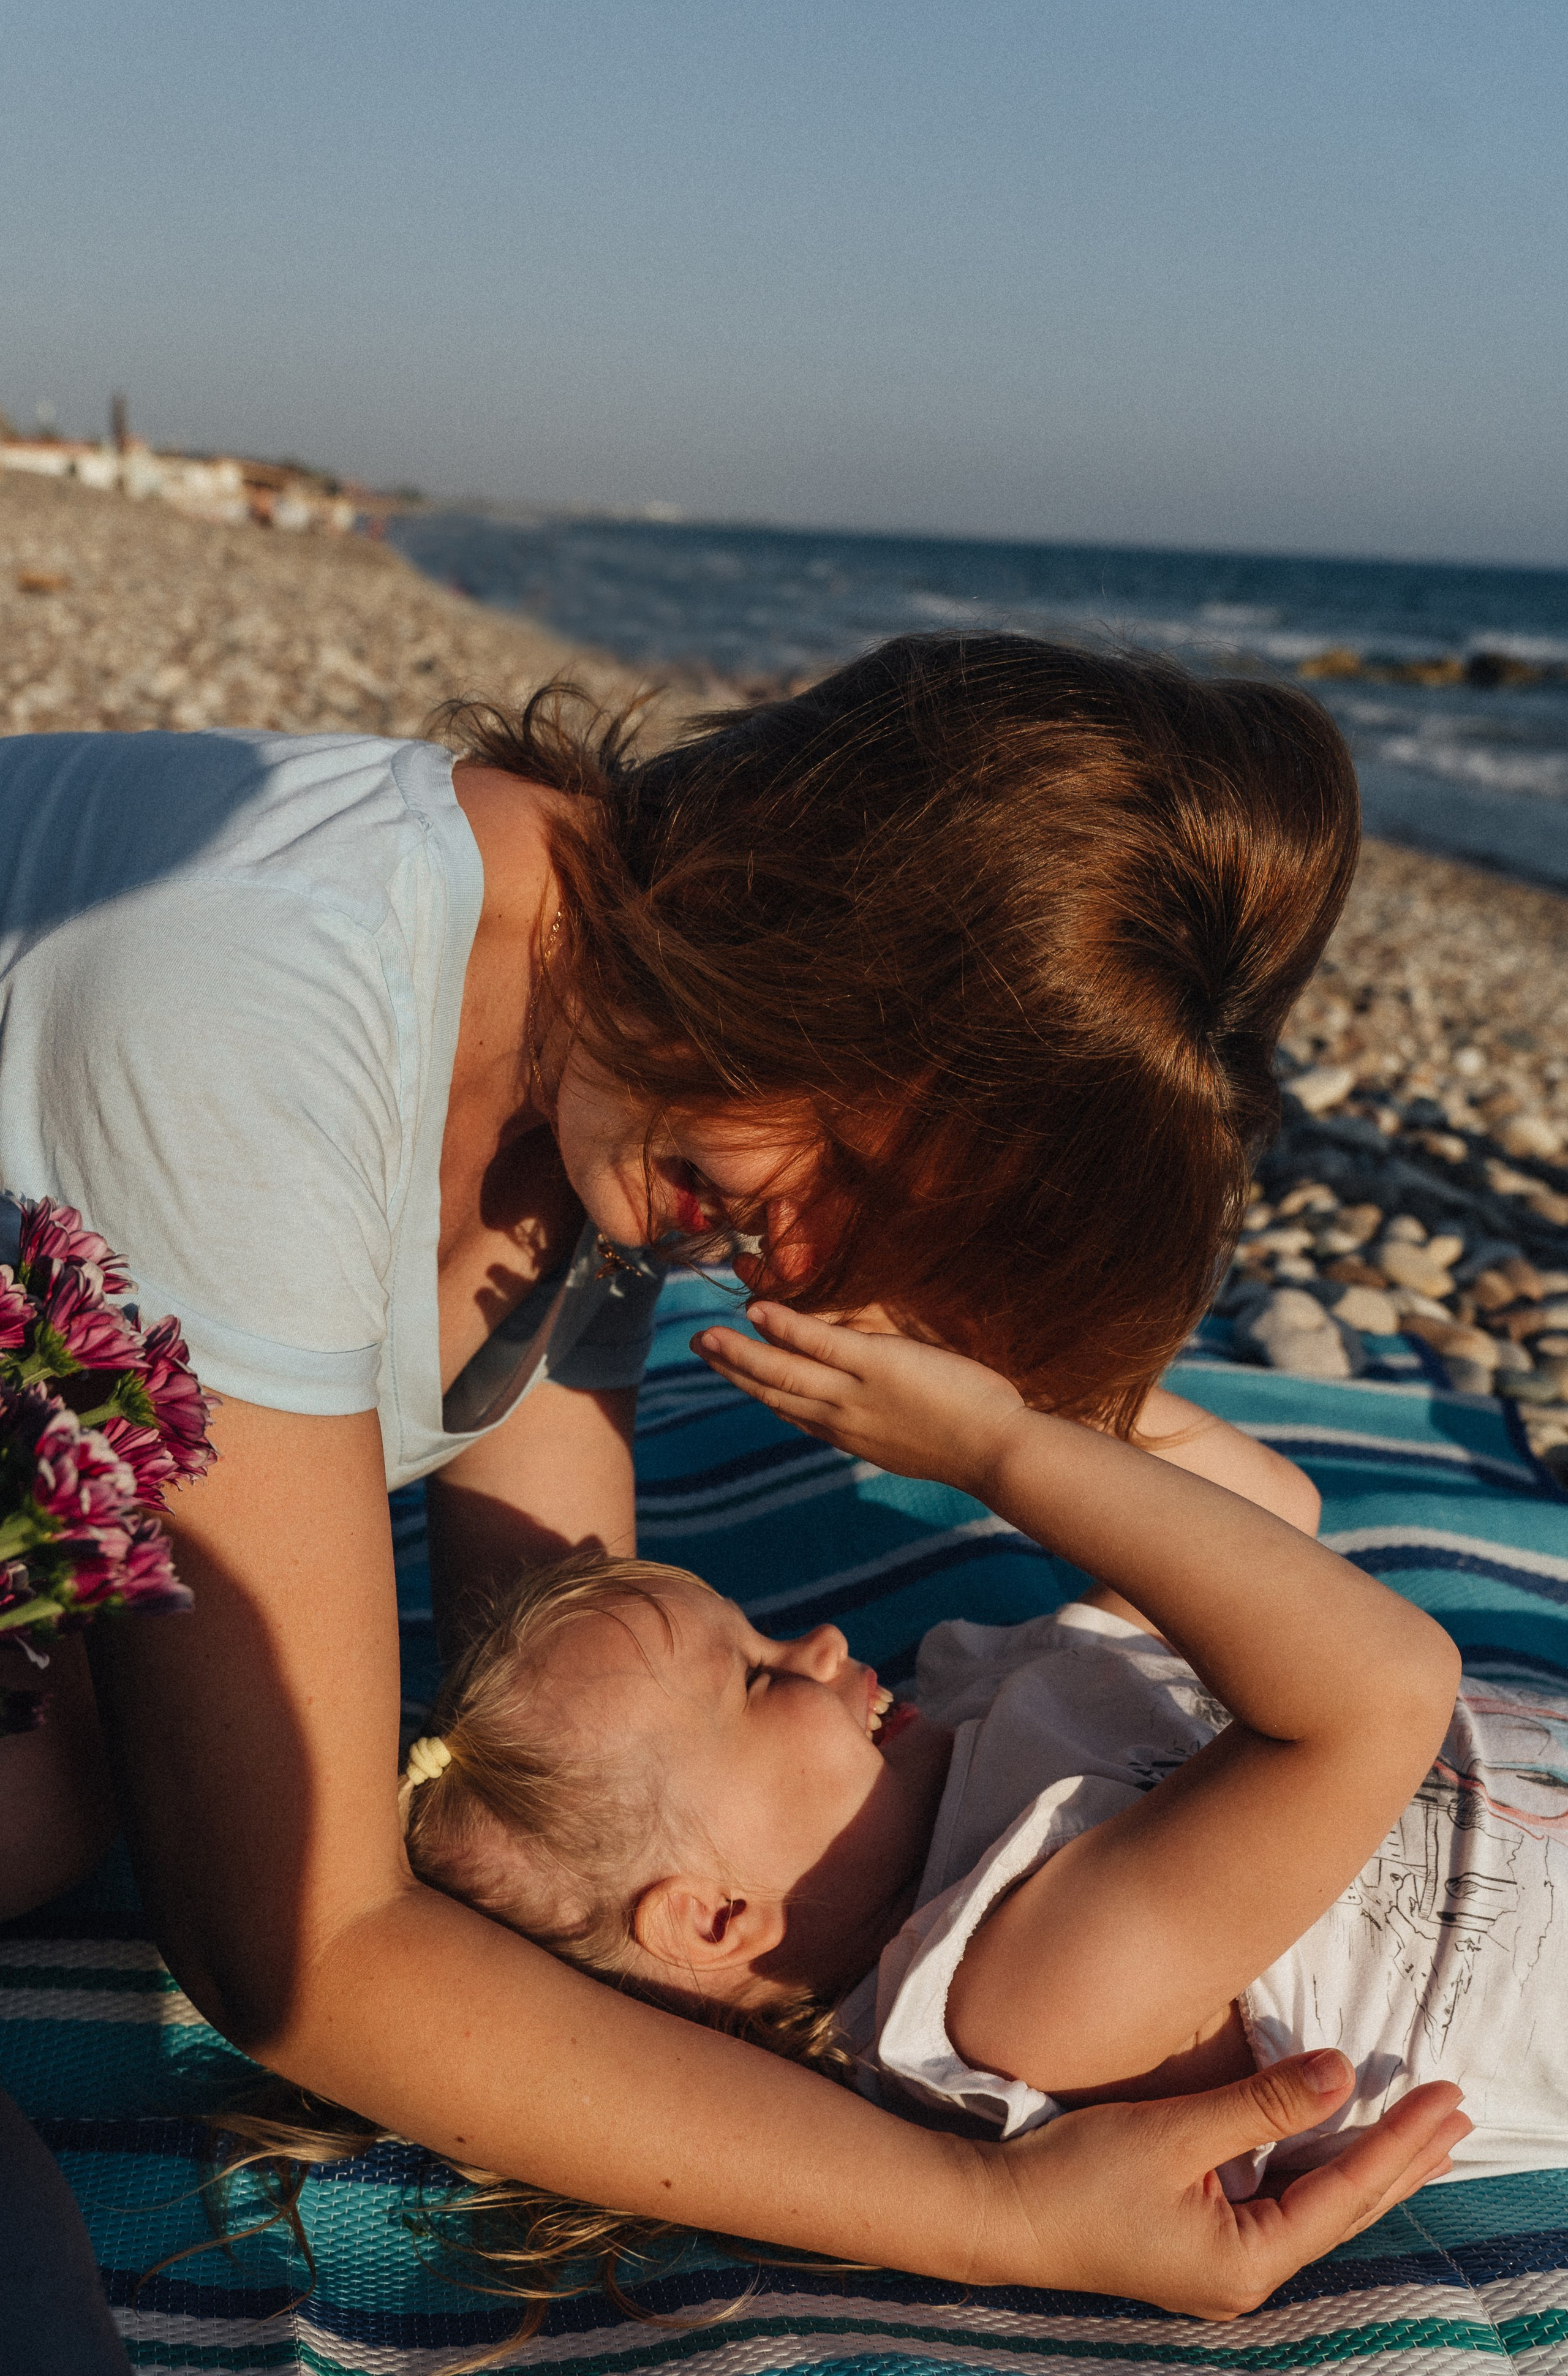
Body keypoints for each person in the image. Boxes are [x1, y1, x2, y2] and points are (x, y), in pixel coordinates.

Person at [0, 636, 1463, 2319]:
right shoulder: (256, 1013)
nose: (805, 1267)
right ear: (803, 912)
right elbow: (304, 1947)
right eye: (843, 1167)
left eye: (891, 1231)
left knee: (109, 1754)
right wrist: (997, 2211)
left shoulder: (628, 1076)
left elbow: (557, 1644)